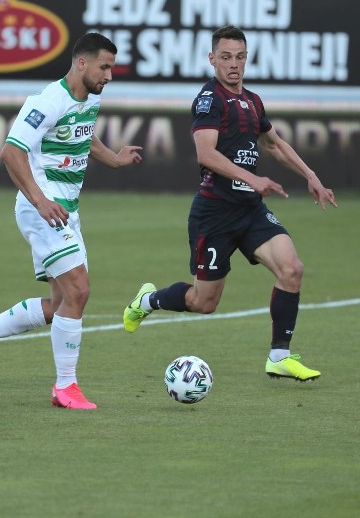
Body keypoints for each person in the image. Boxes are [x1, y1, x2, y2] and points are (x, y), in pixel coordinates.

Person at [122, 25, 337, 382]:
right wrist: (253, 178)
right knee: (203, 303)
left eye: (239, 57)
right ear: (212, 60)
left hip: (250, 210)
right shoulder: (209, 100)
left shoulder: (252, 101)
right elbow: (206, 154)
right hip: (214, 213)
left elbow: (274, 144)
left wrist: (310, 175)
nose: (233, 64)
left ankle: (279, 357)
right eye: (225, 57)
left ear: (246, 59)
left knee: (292, 269)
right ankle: (148, 301)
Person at [0, 33, 142, 409]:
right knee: (79, 291)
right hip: (43, 209)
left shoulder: (90, 96)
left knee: (61, 305)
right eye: (104, 67)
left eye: (112, 67)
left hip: (65, 210)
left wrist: (115, 159)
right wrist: (39, 201)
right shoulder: (48, 101)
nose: (109, 75)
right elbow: (11, 152)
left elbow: (85, 137)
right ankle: (65, 387)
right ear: (81, 63)